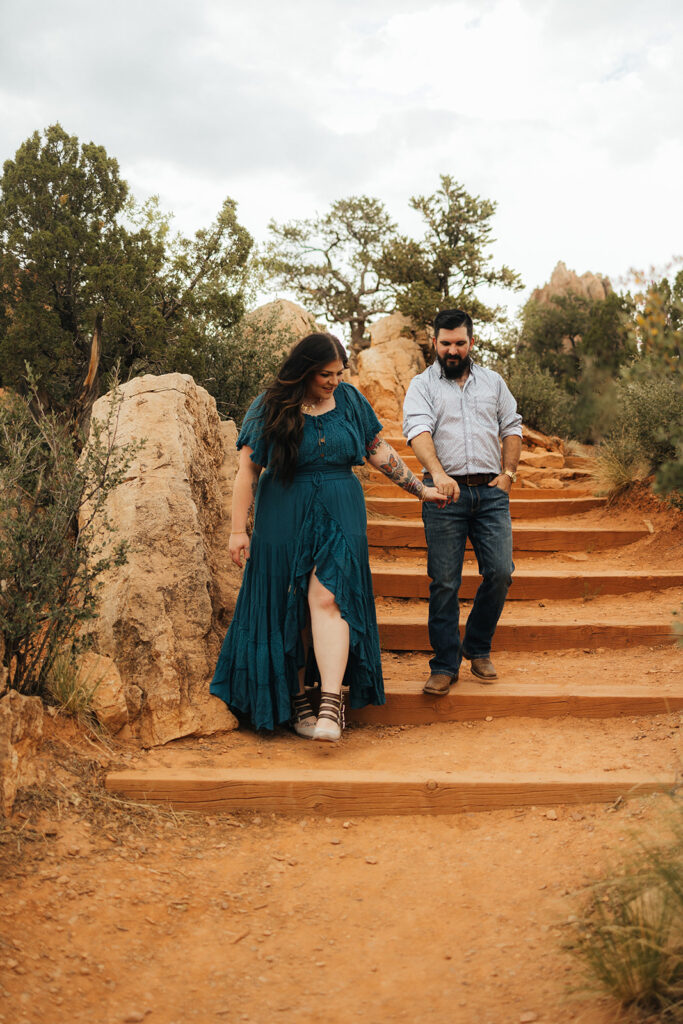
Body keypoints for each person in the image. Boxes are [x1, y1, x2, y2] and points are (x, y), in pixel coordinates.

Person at [211, 332, 447, 742]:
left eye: (339, 373)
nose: (333, 381)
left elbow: (378, 451)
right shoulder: (270, 405)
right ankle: (299, 695)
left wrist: (421, 489)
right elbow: (247, 471)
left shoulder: (351, 401)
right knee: (291, 603)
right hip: (283, 513)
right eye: (325, 374)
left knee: (328, 596)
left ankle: (330, 703)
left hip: (341, 508)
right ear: (304, 370)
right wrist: (237, 530)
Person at [402, 309, 522, 695]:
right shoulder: (422, 386)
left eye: (459, 343)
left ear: (472, 341)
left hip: (490, 492)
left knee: (501, 572)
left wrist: (509, 474)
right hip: (443, 495)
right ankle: (444, 664)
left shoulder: (494, 382)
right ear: (434, 342)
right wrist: (437, 473)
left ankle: (478, 646)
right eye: (445, 343)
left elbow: (512, 426)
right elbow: (417, 429)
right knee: (445, 582)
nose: (452, 350)